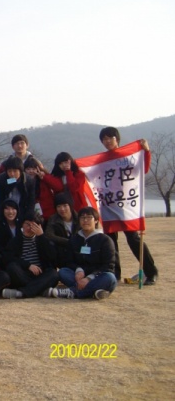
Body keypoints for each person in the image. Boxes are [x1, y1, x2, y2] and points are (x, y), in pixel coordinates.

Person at [97, 127, 159, 284]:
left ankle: (151, 272)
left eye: (110, 138)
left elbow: (142, 169)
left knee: (133, 239)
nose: (107, 141)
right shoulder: (100, 160)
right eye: (104, 139)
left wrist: (146, 151)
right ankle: (114, 274)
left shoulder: (127, 155)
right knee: (110, 242)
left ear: (117, 139)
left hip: (125, 204)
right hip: (107, 205)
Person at [52, 207, 117, 299]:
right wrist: (78, 270)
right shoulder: (74, 239)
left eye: (89, 217)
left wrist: (89, 278)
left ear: (96, 221)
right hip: (79, 276)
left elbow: (108, 266)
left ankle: (73, 291)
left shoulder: (105, 240)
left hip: (96, 275)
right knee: (63, 272)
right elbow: (69, 261)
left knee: (110, 278)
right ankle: (94, 291)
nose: (85, 220)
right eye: (82, 218)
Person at [0, 213, 59, 299]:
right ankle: (39, 289)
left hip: (40, 275)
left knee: (54, 274)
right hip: (23, 274)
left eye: (33, 225)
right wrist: (28, 265)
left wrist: (41, 236)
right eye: (27, 224)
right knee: (12, 267)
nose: (29, 228)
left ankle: (22, 293)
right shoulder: (15, 241)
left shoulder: (43, 240)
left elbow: (53, 257)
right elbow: (7, 258)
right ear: (22, 225)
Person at [44, 194, 79, 268]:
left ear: (70, 206)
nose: (62, 209)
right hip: (62, 251)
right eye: (59, 206)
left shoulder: (79, 218)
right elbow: (49, 235)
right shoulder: (53, 219)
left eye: (65, 205)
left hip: (78, 249)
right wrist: (68, 242)